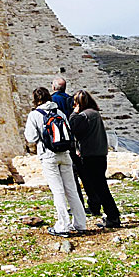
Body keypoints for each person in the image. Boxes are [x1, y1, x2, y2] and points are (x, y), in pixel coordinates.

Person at [24, 87, 87, 236]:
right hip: (65, 154)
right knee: (71, 189)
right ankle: (80, 223)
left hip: (48, 155)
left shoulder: (34, 115)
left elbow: (31, 138)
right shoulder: (59, 113)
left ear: (36, 99)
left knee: (57, 190)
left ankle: (63, 225)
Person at [70, 89, 121, 229]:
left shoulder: (84, 116)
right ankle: (111, 215)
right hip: (100, 155)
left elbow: (72, 126)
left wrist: (75, 112)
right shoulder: (95, 114)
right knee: (101, 186)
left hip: (90, 156)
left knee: (100, 188)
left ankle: (113, 217)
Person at [51, 77, 97, 213]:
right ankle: (94, 203)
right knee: (85, 174)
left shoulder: (53, 101)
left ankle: (79, 205)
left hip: (64, 142)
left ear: (54, 87)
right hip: (77, 141)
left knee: (71, 176)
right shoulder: (71, 100)